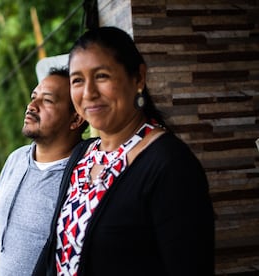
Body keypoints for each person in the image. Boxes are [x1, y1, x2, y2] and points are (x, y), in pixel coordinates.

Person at [33, 26, 215, 276]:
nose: (88, 93)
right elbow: (55, 251)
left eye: (102, 76)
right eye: (77, 80)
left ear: (138, 77)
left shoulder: (170, 165)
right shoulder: (83, 155)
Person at [0, 67, 88, 276]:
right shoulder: (16, 159)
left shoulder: (84, 174)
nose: (32, 106)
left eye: (48, 100)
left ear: (76, 119)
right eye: (33, 97)